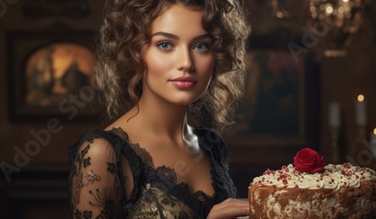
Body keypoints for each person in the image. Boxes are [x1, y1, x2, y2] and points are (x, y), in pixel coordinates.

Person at [67, 0, 251, 218]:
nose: (186, 63)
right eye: (165, 44)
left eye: (201, 46)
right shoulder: (102, 153)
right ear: (135, 51)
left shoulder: (211, 144)